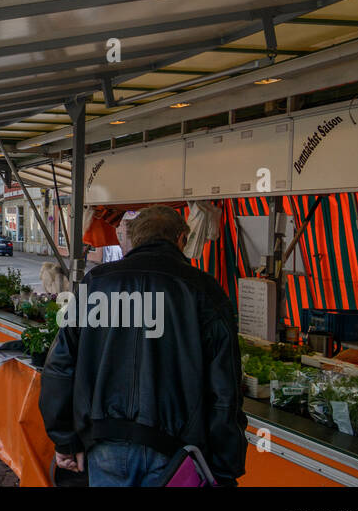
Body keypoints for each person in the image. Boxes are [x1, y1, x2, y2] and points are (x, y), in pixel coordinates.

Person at [38, 206, 247, 487]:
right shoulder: (205, 290)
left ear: (133, 238)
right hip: (175, 453)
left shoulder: (97, 283)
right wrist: (224, 466)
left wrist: (65, 440)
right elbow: (225, 389)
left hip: (103, 446)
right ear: (182, 238)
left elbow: (59, 367)